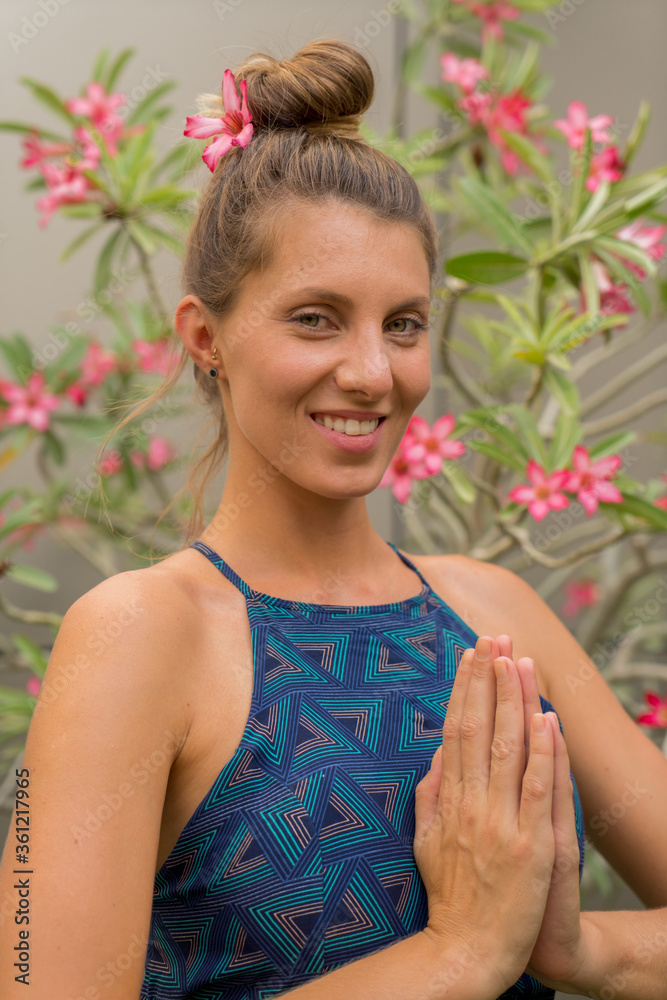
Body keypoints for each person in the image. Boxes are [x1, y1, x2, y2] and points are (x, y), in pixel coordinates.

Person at [1, 37, 666, 1000]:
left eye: (403, 324)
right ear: (205, 336)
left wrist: (578, 952)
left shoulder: (494, 613)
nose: (371, 372)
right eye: (315, 317)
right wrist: (458, 953)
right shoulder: (138, 635)